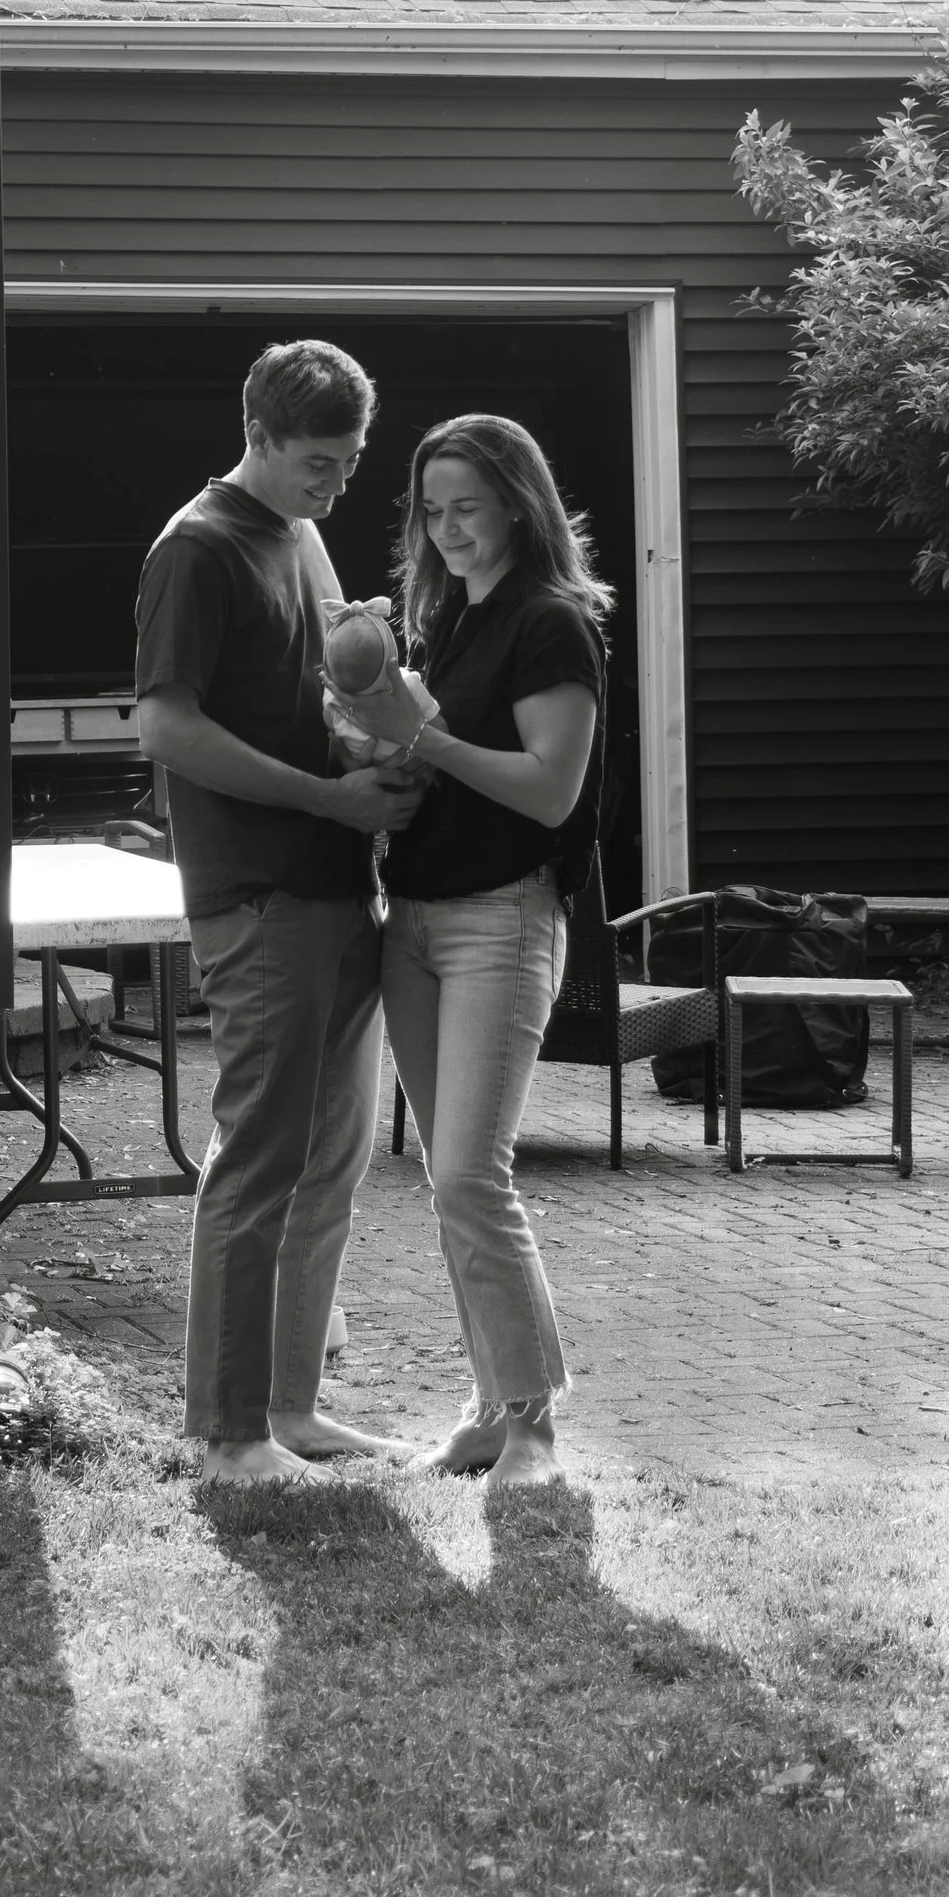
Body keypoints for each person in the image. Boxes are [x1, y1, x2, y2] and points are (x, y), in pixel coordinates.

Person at [133, 338, 426, 1486]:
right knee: (258, 1158)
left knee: (331, 1159)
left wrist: (376, 739)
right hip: (258, 893)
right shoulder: (196, 547)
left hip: (337, 879)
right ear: (257, 433)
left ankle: (292, 1413)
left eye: (352, 464)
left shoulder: (300, 535)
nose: (336, 484)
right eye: (318, 460)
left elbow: (306, 695)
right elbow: (165, 726)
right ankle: (225, 1435)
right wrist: (325, 794)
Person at [331, 414, 609, 1484]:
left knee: (467, 1172)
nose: (447, 528)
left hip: (503, 914)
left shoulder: (549, 621)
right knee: (452, 1186)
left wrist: (423, 735)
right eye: (431, 509)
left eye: (469, 507)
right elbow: (434, 767)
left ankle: (532, 1423)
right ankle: (493, 1407)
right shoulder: (446, 617)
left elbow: (549, 787)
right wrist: (370, 744)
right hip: (416, 919)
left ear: (516, 505)